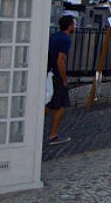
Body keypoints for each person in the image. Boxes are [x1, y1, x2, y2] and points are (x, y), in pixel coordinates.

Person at [46, 15, 75, 145]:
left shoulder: (55, 36)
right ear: (69, 26)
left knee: (49, 103)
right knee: (61, 105)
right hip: (57, 74)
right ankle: (53, 135)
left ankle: (32, 128)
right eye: (73, 24)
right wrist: (64, 79)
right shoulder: (66, 40)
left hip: (49, 72)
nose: (74, 26)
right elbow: (60, 61)